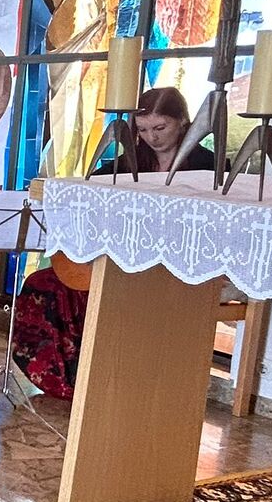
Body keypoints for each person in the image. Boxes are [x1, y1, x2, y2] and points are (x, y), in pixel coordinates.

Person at [14, 87, 215, 397]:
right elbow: (88, 188)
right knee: (45, 284)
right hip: (124, 259)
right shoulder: (132, 160)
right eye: (143, 130)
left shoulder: (208, 164)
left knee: (102, 291)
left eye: (160, 127)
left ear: (183, 121)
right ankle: (72, 379)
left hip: (175, 264)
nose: (152, 137)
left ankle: (113, 377)